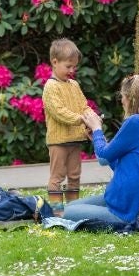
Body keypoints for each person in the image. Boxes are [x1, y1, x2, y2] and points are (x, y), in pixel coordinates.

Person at [63, 74, 139, 227]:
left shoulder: (136, 122)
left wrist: (97, 128)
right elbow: (109, 159)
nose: (121, 101)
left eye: (123, 97)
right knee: (71, 207)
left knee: (69, 212)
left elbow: (103, 154)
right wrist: (96, 136)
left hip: (137, 213)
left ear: (131, 99)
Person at [42, 38, 95, 215]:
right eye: (68, 66)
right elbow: (58, 111)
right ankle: (58, 213)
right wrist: (81, 119)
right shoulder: (50, 87)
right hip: (58, 141)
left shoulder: (74, 85)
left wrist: (90, 117)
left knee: (74, 176)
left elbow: (83, 105)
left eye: (74, 67)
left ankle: (74, 210)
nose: (72, 71)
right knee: (57, 177)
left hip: (75, 140)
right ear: (54, 62)